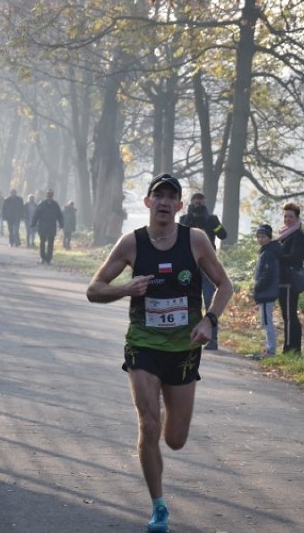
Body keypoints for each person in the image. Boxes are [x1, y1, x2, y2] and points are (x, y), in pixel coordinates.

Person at [86, 173, 233, 533]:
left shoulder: (195, 240)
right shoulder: (131, 243)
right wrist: (125, 289)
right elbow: (94, 289)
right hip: (143, 344)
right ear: (148, 203)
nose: (165, 202)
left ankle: (167, 403)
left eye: (172, 196)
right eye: (159, 196)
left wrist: (210, 320)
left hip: (183, 348)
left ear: (180, 206)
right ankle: (158, 506)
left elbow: (224, 284)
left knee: (175, 439)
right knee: (148, 424)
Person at [179, 192, 227, 350]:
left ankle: (212, 340)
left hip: (207, 265)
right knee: (188, 301)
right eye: (195, 202)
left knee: (209, 300)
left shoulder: (211, 219)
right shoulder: (185, 219)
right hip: (189, 263)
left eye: (201, 202)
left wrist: (210, 220)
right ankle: (187, 337)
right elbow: (179, 236)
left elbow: (223, 234)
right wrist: (191, 217)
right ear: (190, 203)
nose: (198, 205)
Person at [277, 201, 304, 355]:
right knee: (286, 315)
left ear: (297, 218)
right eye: (285, 216)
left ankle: (292, 349)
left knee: (290, 316)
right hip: (281, 280)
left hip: (290, 280)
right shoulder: (284, 235)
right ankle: (291, 348)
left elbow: (295, 258)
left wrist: (276, 256)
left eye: (290, 216)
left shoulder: (298, 236)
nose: (287, 219)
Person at [253, 224, 281, 358]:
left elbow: (268, 273)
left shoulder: (269, 252)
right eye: (258, 236)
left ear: (269, 237)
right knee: (265, 322)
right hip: (265, 292)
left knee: (267, 322)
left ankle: (271, 351)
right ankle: (268, 348)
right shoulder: (265, 251)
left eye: (263, 236)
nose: (260, 239)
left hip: (267, 293)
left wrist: (258, 286)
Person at [31, 189, 63, 264]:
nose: (49, 197)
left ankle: (48, 259)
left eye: (51, 195)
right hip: (42, 225)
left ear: (52, 196)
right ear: (46, 195)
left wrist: (61, 224)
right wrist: (33, 223)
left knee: (50, 243)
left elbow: (59, 215)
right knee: (42, 242)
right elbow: (36, 214)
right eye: (48, 195)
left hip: (51, 226)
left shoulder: (55, 205)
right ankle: (42, 257)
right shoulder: (42, 204)